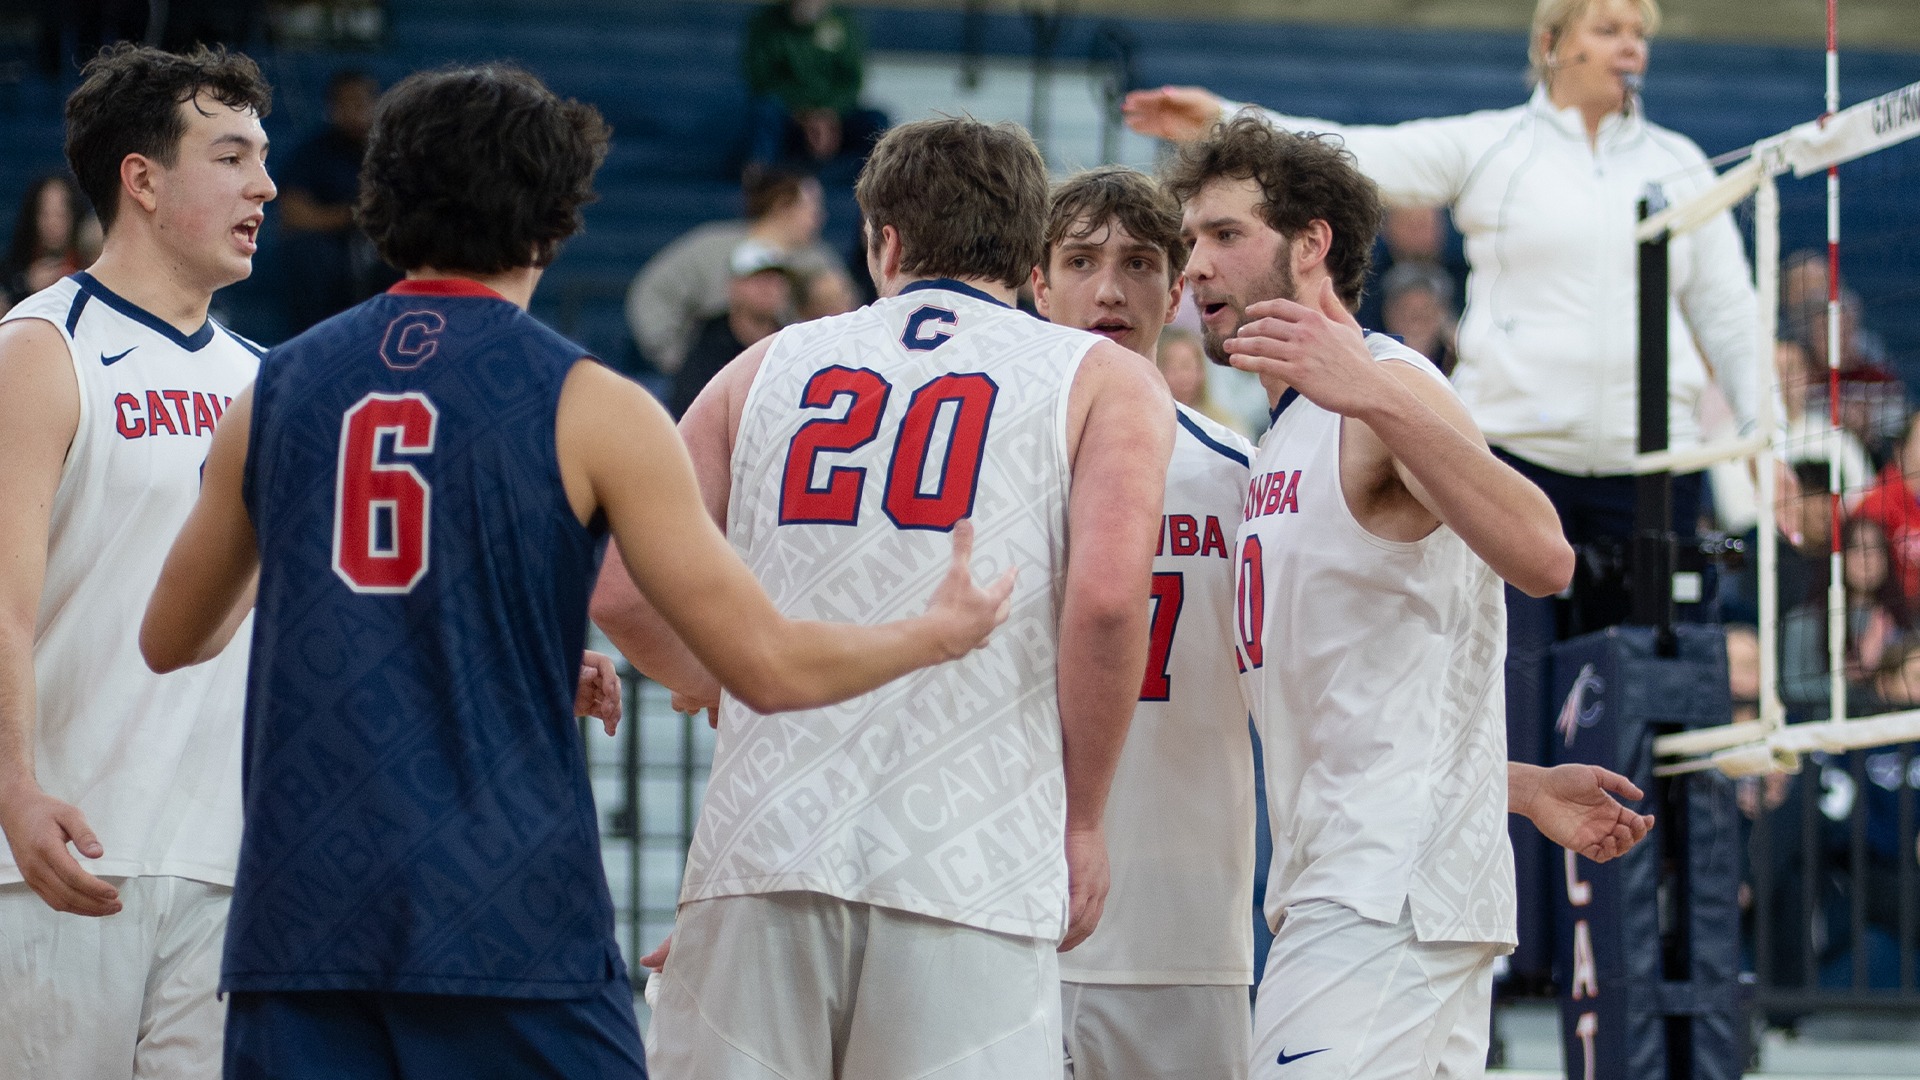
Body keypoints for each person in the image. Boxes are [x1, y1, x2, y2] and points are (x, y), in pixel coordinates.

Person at [139, 65, 1016, 1079]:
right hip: (505, 917)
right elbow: (766, 667)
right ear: (553, 221)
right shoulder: (590, 404)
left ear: (382, 202)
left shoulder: (275, 389)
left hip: (302, 921)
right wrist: (934, 633)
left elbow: (175, 638)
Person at [594, 117, 1175, 1079]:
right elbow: (1110, 603)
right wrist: (1081, 821)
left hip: (765, 842)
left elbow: (620, 585)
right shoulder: (1100, 377)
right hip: (971, 853)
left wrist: (722, 674)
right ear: (1034, 252)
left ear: (885, 242)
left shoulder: (762, 365)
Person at [1126, 0, 1767, 624]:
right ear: (1549, 45)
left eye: (1638, 33)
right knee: (1517, 688)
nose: (1631, 47)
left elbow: (1728, 311)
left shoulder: (1680, 163)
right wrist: (1220, 119)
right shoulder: (1493, 145)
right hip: (1512, 454)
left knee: (1647, 699)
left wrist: (1764, 430)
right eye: (1607, 30)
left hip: (1654, 469)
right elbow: (1353, 153)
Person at [1168, 115, 1582, 1078]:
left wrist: (1374, 390)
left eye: (1225, 235)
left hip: (1383, 894)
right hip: (1365, 884)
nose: (1194, 267)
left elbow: (1544, 554)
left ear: (1310, 244)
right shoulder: (1287, 432)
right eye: (1191, 240)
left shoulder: (1389, 387)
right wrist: (1515, 789)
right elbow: (1360, 690)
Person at [0, 43, 275, 1077]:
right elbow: (3, 605)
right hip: (58, 856)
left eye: (263, 158)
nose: (266, 184)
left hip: (225, 869)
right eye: (233, 155)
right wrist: (12, 788)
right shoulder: (43, 348)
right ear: (143, 179)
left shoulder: (267, 378)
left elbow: (322, 602)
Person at [1031, 164, 1259, 1080]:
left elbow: (1311, 690)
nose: (1111, 289)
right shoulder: (982, 464)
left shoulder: (1247, 474)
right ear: (1036, 282)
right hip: (998, 915)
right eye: (1081, 260)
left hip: (1181, 930)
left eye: (1139, 261)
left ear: (1176, 285)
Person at [624, 165, 843, 376]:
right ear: (782, 206)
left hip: (785, 378)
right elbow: (653, 292)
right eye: (812, 207)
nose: (819, 217)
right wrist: (680, 361)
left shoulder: (819, 260)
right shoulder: (711, 248)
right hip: (710, 374)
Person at [276, 69, 397, 334]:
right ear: (332, 108)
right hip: (331, 247)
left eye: (362, 102)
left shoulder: (394, 151)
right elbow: (293, 214)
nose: (354, 110)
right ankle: (313, 342)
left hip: (384, 244)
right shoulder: (312, 152)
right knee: (308, 253)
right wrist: (353, 216)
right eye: (345, 103)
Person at [741, 0, 888, 167]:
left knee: (877, 121)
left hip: (836, 117)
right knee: (764, 113)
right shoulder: (766, 22)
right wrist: (806, 115)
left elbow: (852, 81)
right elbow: (761, 80)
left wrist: (828, 114)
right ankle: (760, 179)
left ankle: (873, 181)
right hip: (789, 117)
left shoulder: (843, 22)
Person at [667, 240, 797, 417]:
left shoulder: (793, 342)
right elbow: (689, 409)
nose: (770, 288)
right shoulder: (706, 343)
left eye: (777, 280)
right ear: (733, 286)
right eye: (759, 279)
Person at [1, 174, 101, 311]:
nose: (52, 223)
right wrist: (26, 286)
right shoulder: (13, 274)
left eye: (60, 214)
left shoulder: (93, 267)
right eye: (45, 214)